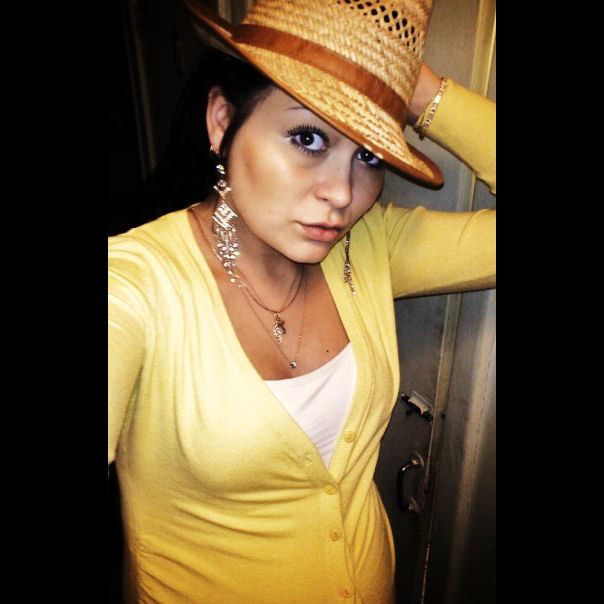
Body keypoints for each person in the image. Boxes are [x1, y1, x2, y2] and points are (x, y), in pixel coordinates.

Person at [108, 0, 496, 602]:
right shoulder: (135, 284)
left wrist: (413, 90)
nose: (341, 193)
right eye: (308, 137)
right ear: (221, 121)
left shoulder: (368, 248)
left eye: (368, 155)